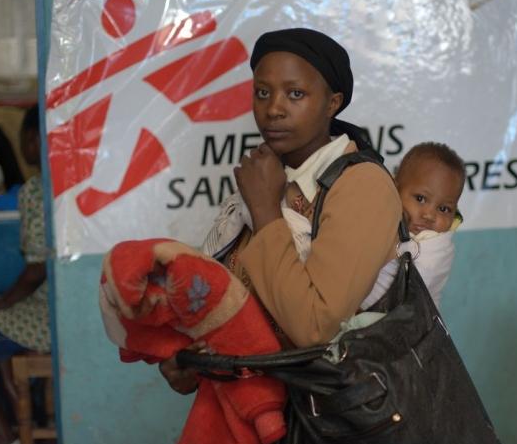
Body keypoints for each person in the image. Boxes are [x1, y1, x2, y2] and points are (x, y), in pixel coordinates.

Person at [159, 28, 402, 397]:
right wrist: (191, 361)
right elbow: (226, 300)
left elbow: (313, 327)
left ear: (333, 102)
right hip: (253, 410)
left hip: (327, 421)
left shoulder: (361, 185)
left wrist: (265, 210)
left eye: (295, 94)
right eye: (262, 92)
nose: (273, 108)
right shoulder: (268, 176)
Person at [0, 105, 49, 444]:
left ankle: (1, 433)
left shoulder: (36, 191)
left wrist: (2, 300)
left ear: (33, 139)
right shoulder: (60, 186)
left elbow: (37, 268)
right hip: (59, 311)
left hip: (44, 316)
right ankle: (11, 421)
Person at [361, 142, 465, 309]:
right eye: (420, 199)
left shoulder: (437, 247)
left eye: (444, 209)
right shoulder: (380, 216)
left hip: (399, 326)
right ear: (394, 189)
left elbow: (411, 290)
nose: (429, 215)